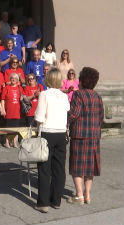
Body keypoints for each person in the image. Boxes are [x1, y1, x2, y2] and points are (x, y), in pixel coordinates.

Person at [34, 68, 70, 213]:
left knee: (44, 170)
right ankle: (56, 200)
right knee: (59, 169)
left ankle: (43, 203)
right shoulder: (64, 96)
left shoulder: (44, 94)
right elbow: (66, 110)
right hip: (61, 134)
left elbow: (39, 117)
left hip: (48, 133)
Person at [67, 67, 104, 205]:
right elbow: (101, 117)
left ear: (82, 80)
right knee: (90, 167)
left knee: (77, 166)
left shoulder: (78, 95)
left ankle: (79, 196)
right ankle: (88, 195)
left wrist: (64, 119)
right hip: (94, 136)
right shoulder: (97, 96)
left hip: (80, 135)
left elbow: (74, 114)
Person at [1, 73, 24, 148]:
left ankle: (14, 142)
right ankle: (7, 142)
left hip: (17, 110)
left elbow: (23, 97)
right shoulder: (6, 88)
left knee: (16, 128)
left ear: (17, 80)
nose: (13, 79)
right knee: (8, 127)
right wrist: (3, 109)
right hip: (9, 110)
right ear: (10, 79)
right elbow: (3, 99)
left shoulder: (20, 88)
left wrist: (22, 98)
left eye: (15, 78)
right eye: (12, 78)